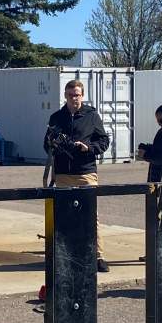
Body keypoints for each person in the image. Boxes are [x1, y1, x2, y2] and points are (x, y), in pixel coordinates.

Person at [44, 79, 111, 272]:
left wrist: (88, 148)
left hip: (85, 172)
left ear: (82, 96)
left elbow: (104, 142)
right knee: (64, 216)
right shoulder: (56, 117)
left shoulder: (91, 116)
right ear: (65, 96)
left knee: (91, 216)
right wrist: (54, 145)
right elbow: (46, 144)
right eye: (71, 95)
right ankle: (64, 254)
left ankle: (98, 256)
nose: (75, 98)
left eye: (78, 95)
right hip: (63, 174)